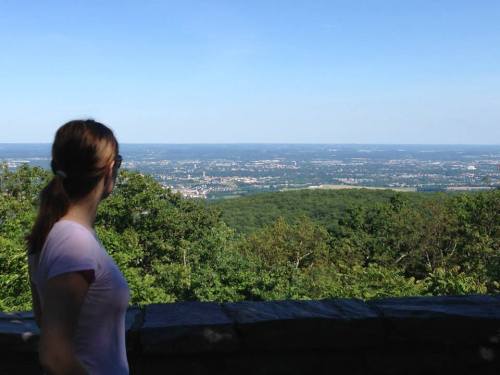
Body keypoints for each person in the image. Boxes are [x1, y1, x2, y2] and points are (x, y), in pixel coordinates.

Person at [26, 119, 130, 375]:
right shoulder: (73, 243)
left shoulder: (55, 232)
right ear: (110, 167)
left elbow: (45, 319)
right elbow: (54, 355)